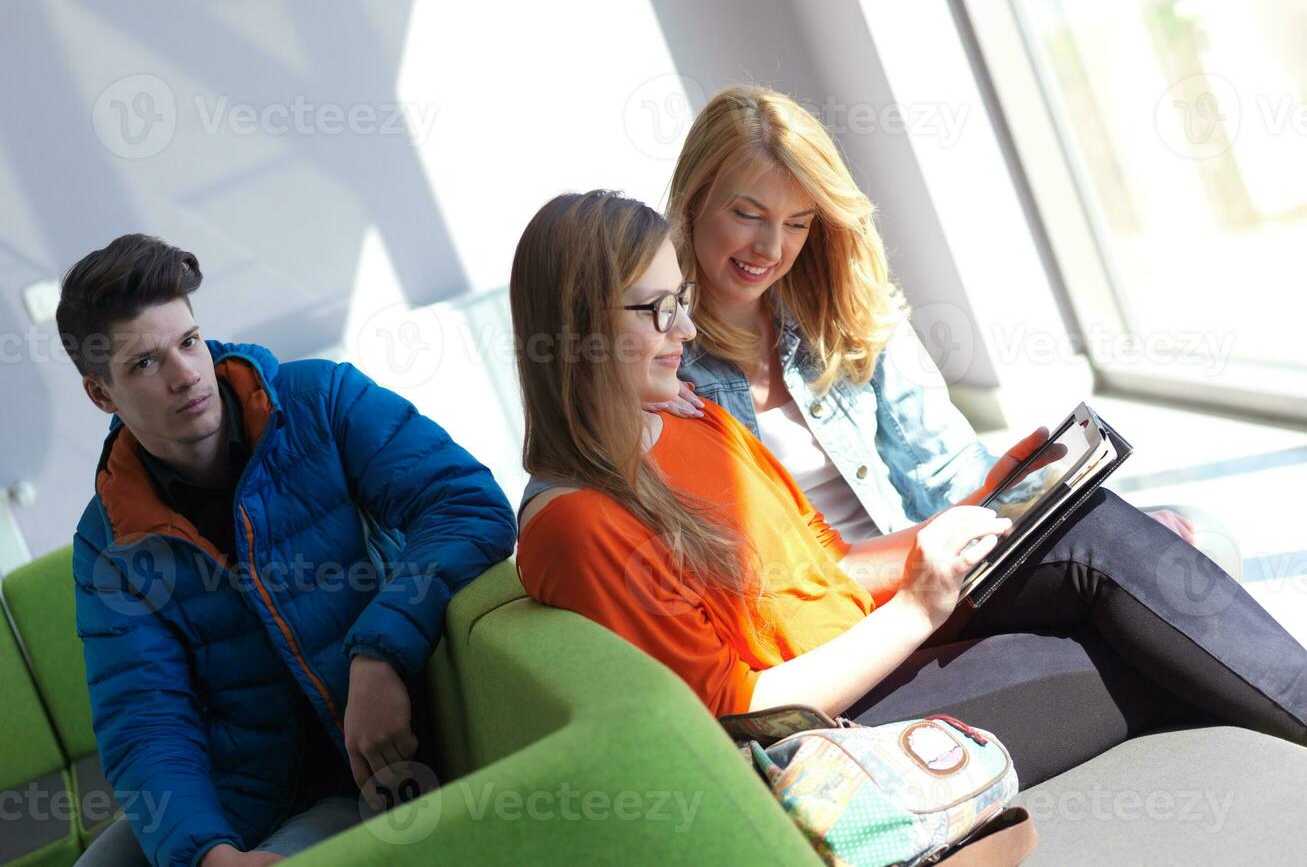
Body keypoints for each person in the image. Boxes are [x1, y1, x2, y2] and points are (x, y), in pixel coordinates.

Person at [512, 190, 1307, 791]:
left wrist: (977, 515)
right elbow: (737, 715)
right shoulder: (578, 522)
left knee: (1083, 527)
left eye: (680, 301)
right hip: (834, 736)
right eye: (657, 311)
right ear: (576, 326)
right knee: (1153, 637)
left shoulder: (688, 424)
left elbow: (825, 565)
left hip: (877, 653)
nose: (684, 332)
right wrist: (918, 610)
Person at [518, 84, 1198, 554]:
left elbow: (949, 472)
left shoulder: (840, 314)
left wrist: (1063, 517)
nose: (769, 249)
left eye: (796, 223)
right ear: (694, 200)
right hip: (838, 611)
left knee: (1169, 538)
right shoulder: (658, 359)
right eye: (747, 214)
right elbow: (573, 466)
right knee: (1140, 567)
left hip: (927, 565)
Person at [59, 235, 516, 867]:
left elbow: (468, 505)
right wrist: (206, 852)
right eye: (144, 363)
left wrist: (378, 652)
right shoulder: (106, 541)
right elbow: (145, 720)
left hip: (360, 769)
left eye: (189, 341)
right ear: (100, 394)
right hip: (236, 789)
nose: (186, 373)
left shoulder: (320, 401)